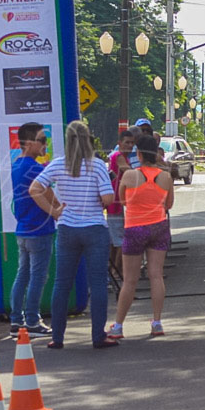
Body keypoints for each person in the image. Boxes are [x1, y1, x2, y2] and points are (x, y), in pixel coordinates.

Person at [30, 120, 118, 349]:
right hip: (94, 229)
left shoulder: (59, 165)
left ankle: (57, 337)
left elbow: (35, 189)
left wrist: (54, 212)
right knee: (98, 283)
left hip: (67, 228)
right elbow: (108, 198)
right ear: (88, 139)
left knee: (62, 283)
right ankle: (98, 335)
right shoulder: (97, 165)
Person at [108, 134, 176, 338]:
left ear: (138, 154)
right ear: (156, 153)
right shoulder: (165, 177)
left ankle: (118, 326)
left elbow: (122, 200)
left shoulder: (129, 176)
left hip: (135, 227)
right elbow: (169, 205)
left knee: (130, 280)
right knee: (156, 275)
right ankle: (157, 322)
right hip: (159, 226)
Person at [8, 122, 55, 338]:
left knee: (23, 274)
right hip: (40, 228)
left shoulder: (16, 165)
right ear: (28, 143)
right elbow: (46, 193)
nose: (45, 145)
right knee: (38, 276)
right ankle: (34, 319)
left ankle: (16, 319)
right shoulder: (36, 169)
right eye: (42, 140)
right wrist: (58, 210)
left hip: (23, 229)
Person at [107, 131, 136, 272]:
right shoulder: (118, 156)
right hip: (115, 203)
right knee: (120, 240)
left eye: (132, 143)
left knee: (114, 240)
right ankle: (117, 272)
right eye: (127, 142)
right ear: (119, 143)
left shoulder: (123, 157)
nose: (130, 145)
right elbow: (129, 172)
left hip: (120, 202)